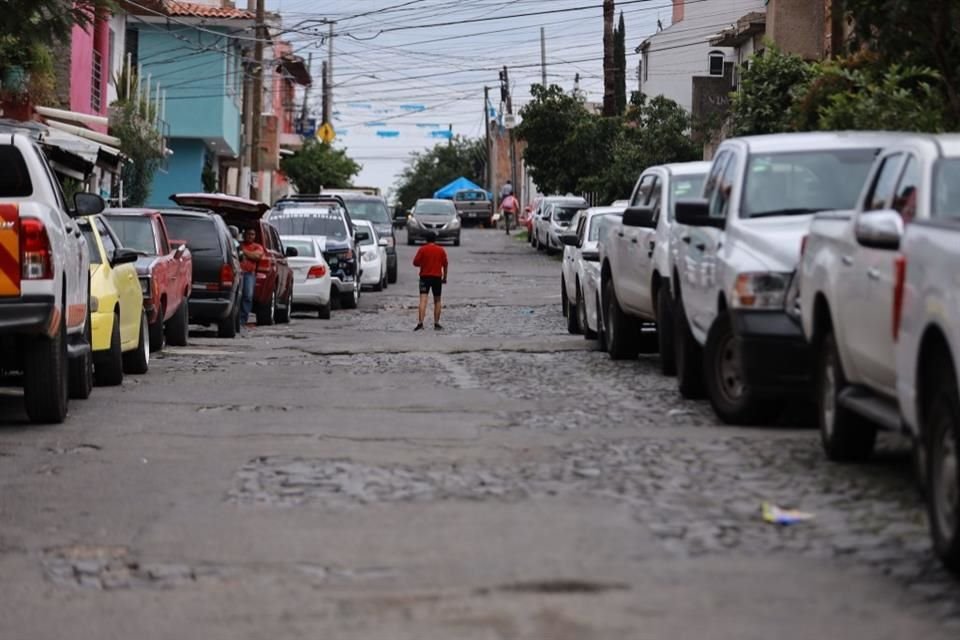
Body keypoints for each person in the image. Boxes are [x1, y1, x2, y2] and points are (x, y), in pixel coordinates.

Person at [412, 230, 448, 331]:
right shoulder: (441, 250)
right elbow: (445, 264)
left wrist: (423, 264)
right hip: (437, 277)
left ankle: (420, 323)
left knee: (423, 300)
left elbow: (415, 262)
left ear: (426, 240)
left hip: (424, 277)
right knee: (437, 300)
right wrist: (445, 277)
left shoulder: (422, 249)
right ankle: (436, 323)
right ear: (435, 239)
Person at [238, 228, 265, 328]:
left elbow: (257, 256)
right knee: (238, 297)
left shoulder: (257, 247)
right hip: (238, 273)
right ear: (244, 235)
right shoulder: (238, 244)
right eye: (248, 234)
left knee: (248, 296)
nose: (250, 236)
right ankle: (236, 319)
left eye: (252, 234)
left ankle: (242, 320)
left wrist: (244, 252)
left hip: (249, 274)